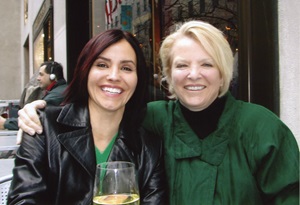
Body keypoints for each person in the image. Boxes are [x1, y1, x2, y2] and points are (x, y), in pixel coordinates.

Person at [17, 21, 299, 204]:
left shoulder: (262, 128)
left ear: (224, 72)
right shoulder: (151, 118)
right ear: (166, 75)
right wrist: (37, 112)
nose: (193, 75)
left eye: (207, 64)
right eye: (181, 65)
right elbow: (99, 111)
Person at [8, 29, 167, 205]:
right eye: (102, 65)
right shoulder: (43, 127)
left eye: (126, 68)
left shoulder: (149, 148)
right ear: (85, 70)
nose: (114, 76)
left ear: (137, 79)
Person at [0, 61, 67, 130]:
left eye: (41, 74)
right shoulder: (60, 91)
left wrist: (5, 123)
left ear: (52, 77)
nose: (38, 78)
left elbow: (35, 120)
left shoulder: (56, 96)